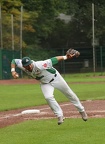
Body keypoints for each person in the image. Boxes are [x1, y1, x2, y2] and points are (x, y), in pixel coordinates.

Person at [11, 52, 88, 125]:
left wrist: (65, 57)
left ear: (31, 62)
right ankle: (59, 115)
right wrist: (13, 71)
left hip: (56, 78)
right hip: (45, 83)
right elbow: (14, 61)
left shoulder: (39, 65)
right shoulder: (23, 66)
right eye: (27, 65)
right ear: (24, 66)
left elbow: (53, 60)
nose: (29, 66)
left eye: (29, 64)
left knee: (70, 94)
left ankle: (82, 111)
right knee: (48, 97)